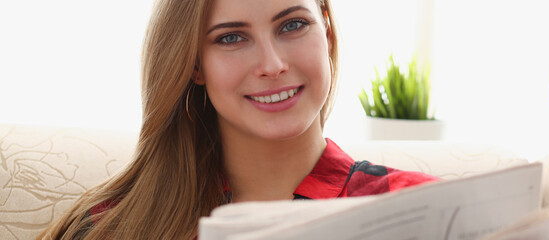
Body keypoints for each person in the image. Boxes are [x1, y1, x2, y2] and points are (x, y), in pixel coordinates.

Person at [38, 0, 438, 239]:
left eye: (293, 25)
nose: (272, 64)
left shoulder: (431, 208)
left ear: (327, 34)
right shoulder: (111, 228)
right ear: (194, 65)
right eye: (231, 37)